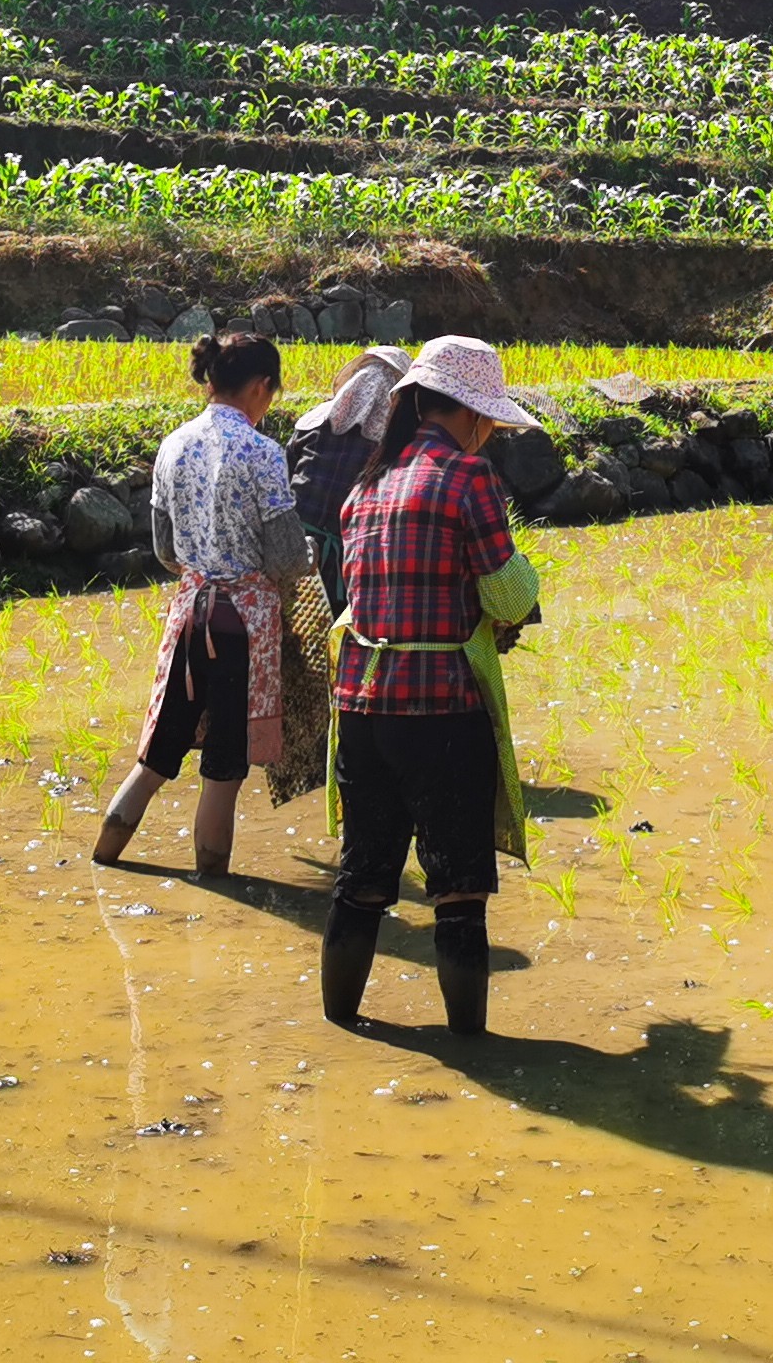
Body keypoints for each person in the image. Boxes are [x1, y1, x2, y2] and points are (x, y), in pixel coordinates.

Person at [319, 332, 544, 1039]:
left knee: (363, 877)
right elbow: (507, 596)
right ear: (474, 415)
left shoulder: (368, 485)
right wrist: (516, 593)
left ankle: (341, 1024)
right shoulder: (467, 477)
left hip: (361, 704)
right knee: (457, 887)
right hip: (441, 708)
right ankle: (471, 1048)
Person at [96, 330, 315, 872]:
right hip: (241, 626)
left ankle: (103, 861)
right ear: (262, 387)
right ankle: (215, 890)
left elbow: (164, 549)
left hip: (190, 615)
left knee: (155, 758)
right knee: (224, 769)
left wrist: (206, 569)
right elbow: (286, 558)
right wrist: (307, 553)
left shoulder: (174, 443)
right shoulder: (262, 453)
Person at [289, 343, 411, 610]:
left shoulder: (312, 424)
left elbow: (287, 478)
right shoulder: (390, 444)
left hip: (291, 545)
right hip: (346, 556)